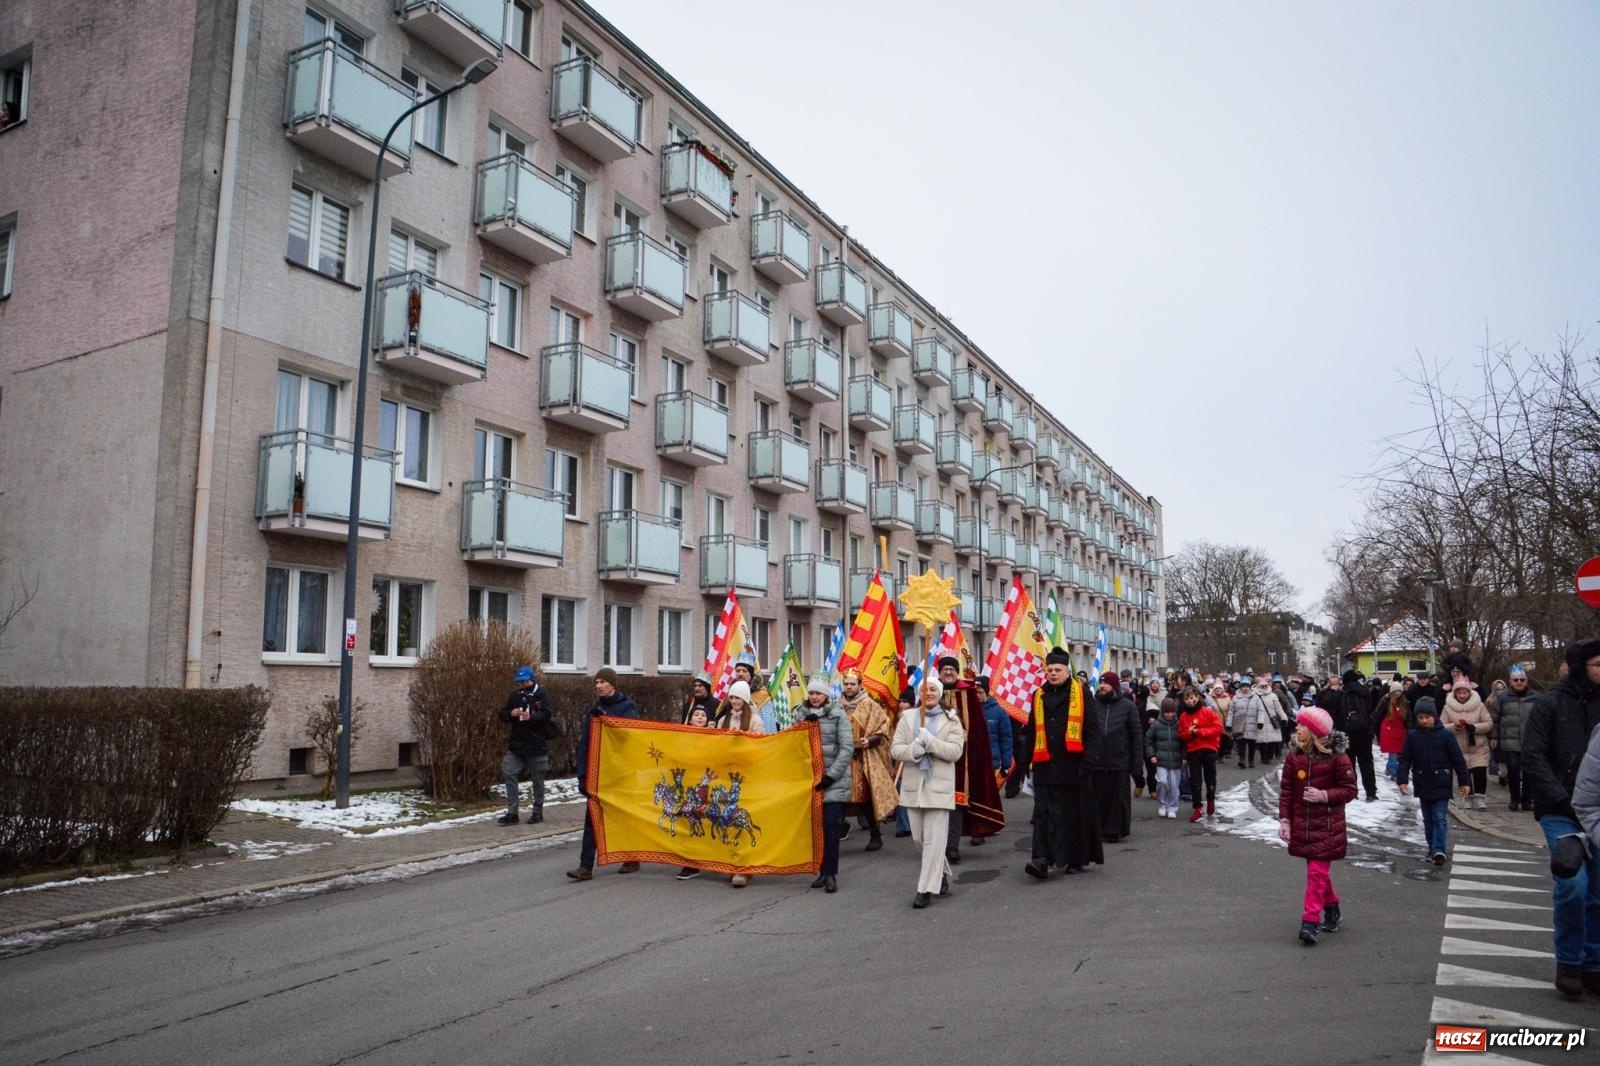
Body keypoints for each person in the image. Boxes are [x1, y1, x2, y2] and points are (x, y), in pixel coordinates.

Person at [1521, 638, 1600, 999]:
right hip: (1560, 810)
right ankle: (1569, 962)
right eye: (1598, 664)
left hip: (1597, 809)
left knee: (1597, 891)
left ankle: (1594, 964)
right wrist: (1562, 799)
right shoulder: (1549, 704)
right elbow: (1532, 756)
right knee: (1573, 884)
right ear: (1581, 666)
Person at [1018, 648, 1104, 878]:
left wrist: (1089, 761)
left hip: (1074, 767)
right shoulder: (1039, 695)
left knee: (1071, 816)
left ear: (1067, 672)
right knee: (1042, 815)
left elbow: (1093, 731)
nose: (1053, 673)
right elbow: (1031, 730)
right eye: (1050, 670)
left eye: (1058, 670)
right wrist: (1024, 760)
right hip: (1045, 766)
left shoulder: (1081, 694)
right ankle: (1041, 860)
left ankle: (1074, 858)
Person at [1277, 706, 1358, 945]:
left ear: (1314, 731)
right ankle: (1332, 906)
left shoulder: (1338, 757)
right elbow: (1287, 791)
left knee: (1316, 873)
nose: (1297, 728)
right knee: (1318, 873)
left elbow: (1350, 790)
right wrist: (1285, 820)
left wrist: (1324, 795)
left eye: (1302, 725)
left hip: (1328, 826)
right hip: (1303, 825)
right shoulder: (1294, 756)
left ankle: (1310, 922)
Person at [891, 678, 965, 909]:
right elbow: (895, 749)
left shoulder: (951, 719)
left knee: (934, 840)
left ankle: (924, 889)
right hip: (913, 788)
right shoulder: (907, 717)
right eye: (924, 689)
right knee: (919, 839)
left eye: (933, 689)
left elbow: (955, 752)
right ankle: (940, 873)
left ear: (939, 693)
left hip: (939, 788)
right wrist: (913, 749)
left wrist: (931, 743)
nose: (929, 693)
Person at [567, 667, 641, 881]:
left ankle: (632, 856)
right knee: (592, 818)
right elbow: (585, 743)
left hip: (620, 773)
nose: (598, 686)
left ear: (612, 684)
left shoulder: (627, 707)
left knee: (623, 817)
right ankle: (585, 867)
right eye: (596, 682)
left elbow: (628, 735)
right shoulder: (594, 710)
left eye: (602, 682)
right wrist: (582, 774)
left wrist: (607, 719)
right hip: (597, 772)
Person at [936, 657, 1005, 862]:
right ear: (939, 673)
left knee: (957, 802)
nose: (948, 672)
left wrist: (976, 754)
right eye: (945, 669)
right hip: (935, 757)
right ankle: (935, 846)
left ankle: (952, 847)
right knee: (936, 804)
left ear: (957, 671)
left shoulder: (968, 693)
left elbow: (979, 729)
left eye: (952, 669)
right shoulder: (930, 692)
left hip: (962, 760)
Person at [1396, 697, 1471, 865]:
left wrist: (1465, 782)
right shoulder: (1413, 736)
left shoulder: (1446, 736)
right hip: (1422, 782)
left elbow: (1458, 760)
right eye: (1421, 717)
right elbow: (1405, 759)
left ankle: (1439, 849)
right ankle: (1432, 848)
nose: (1424, 720)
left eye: (1427, 717)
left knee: (1439, 817)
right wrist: (1402, 780)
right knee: (1428, 819)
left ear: (1434, 716)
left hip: (1441, 782)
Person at [804, 675, 854, 894]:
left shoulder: (837, 715)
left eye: (818, 693)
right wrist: (804, 726)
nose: (815, 697)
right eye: (812, 693)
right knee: (816, 828)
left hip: (834, 781)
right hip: (811, 781)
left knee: (831, 827)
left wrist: (831, 776)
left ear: (826, 695)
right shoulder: (801, 714)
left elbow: (846, 748)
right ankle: (821, 871)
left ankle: (831, 873)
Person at [716, 680, 766, 889]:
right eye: (732, 697)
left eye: (738, 697)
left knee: (742, 821)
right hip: (726, 776)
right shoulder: (723, 720)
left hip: (747, 778)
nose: (734, 701)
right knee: (726, 820)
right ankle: (730, 862)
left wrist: (742, 743)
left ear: (745, 699)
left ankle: (744, 868)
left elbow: (760, 748)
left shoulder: (755, 720)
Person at [839, 669, 897, 850]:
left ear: (859, 685)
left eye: (852, 684)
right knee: (839, 798)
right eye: (846, 684)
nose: (849, 687)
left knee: (867, 799)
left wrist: (869, 741)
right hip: (842, 761)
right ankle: (839, 829)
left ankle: (875, 834)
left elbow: (883, 730)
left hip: (864, 760)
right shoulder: (836, 706)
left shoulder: (870, 705)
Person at [497, 665, 555, 826]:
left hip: (536, 744)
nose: (522, 685)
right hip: (517, 744)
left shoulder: (541, 694)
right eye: (520, 682)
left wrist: (533, 717)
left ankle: (537, 812)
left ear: (531, 680)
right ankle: (512, 813)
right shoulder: (515, 696)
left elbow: (548, 713)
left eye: (524, 682)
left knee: (537, 778)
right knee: (509, 772)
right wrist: (511, 713)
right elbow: (502, 714)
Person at [1094, 671, 1142, 842]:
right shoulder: (1093, 705)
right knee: (1098, 798)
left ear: (1114, 686)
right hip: (1097, 761)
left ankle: (1114, 831)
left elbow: (1136, 737)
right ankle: (1097, 829)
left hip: (1120, 761)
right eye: (1100, 683)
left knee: (1117, 800)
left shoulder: (1128, 707)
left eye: (1105, 683)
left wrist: (1136, 767)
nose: (1102, 686)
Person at [1490, 665, 1538, 811]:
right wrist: (1494, 736)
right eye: (1516, 680)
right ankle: (1514, 799)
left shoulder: (1536, 697)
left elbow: (1542, 719)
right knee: (1513, 770)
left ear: (1526, 681)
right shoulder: (1502, 697)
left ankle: (1527, 800)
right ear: (1510, 681)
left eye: (1522, 680)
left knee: (1529, 772)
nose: (1519, 682)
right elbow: (1494, 719)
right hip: (1510, 741)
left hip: (1530, 741)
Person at [675, 702, 715, 881]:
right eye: (696, 714)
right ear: (690, 719)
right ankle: (689, 864)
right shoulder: (682, 737)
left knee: (708, 823)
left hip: (706, 786)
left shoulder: (714, 738)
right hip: (688, 785)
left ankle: (713, 859)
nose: (700, 717)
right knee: (687, 823)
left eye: (703, 715)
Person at [1440, 678, 1492, 810]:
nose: (1462, 695)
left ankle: (1480, 799)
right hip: (1458, 748)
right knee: (1463, 777)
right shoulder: (1447, 708)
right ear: (1455, 694)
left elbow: (1488, 723)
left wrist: (1474, 727)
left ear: (1469, 692)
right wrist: (1454, 726)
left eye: (1465, 692)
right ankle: (1466, 798)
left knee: (1480, 774)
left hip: (1478, 747)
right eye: (1459, 693)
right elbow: (1441, 725)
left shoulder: (1480, 706)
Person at [1178, 685, 1224, 822]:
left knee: (1210, 778)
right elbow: (1181, 735)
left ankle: (1210, 799)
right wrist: (1189, 733)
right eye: (1187, 699)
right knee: (1195, 780)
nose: (1189, 701)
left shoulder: (1207, 712)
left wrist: (1200, 732)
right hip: (1193, 751)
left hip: (1209, 748)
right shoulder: (1183, 716)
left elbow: (1218, 728)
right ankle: (1197, 807)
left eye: (1191, 698)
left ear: (1197, 698)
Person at [1145, 697, 1185, 818]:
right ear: (1163, 712)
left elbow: (1185, 741)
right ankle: (1162, 804)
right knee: (1162, 782)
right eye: (1167, 712)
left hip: (1176, 760)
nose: (1169, 714)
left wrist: (1184, 757)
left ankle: (1172, 807)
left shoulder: (1179, 724)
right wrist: (1151, 755)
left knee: (1174, 786)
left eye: (1171, 712)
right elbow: (1148, 740)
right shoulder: (1156, 725)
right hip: (1161, 759)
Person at [976, 676, 1015, 797]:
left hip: (991, 762)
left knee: (988, 795)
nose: (977, 696)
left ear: (987, 692)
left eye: (980, 692)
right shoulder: (968, 710)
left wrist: (1006, 765)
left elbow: (1006, 739)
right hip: (973, 761)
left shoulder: (999, 712)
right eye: (974, 693)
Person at [1139, 677, 1165, 799]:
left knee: (1151, 766)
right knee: (1137, 766)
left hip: (1149, 741)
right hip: (1136, 740)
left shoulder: (1153, 709)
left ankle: (1153, 789)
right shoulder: (1131, 707)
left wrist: (1155, 721)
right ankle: (1139, 783)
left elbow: (1161, 722)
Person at [1378, 690, 1408, 781]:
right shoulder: (1386, 702)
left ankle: (1389, 768)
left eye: (1400, 691)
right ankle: (1394, 774)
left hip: (1400, 730)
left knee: (1398, 753)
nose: (1398, 693)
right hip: (1389, 730)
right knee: (1393, 753)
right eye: (1396, 691)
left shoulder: (1404, 703)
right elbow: (1379, 715)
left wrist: (1408, 728)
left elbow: (1408, 718)